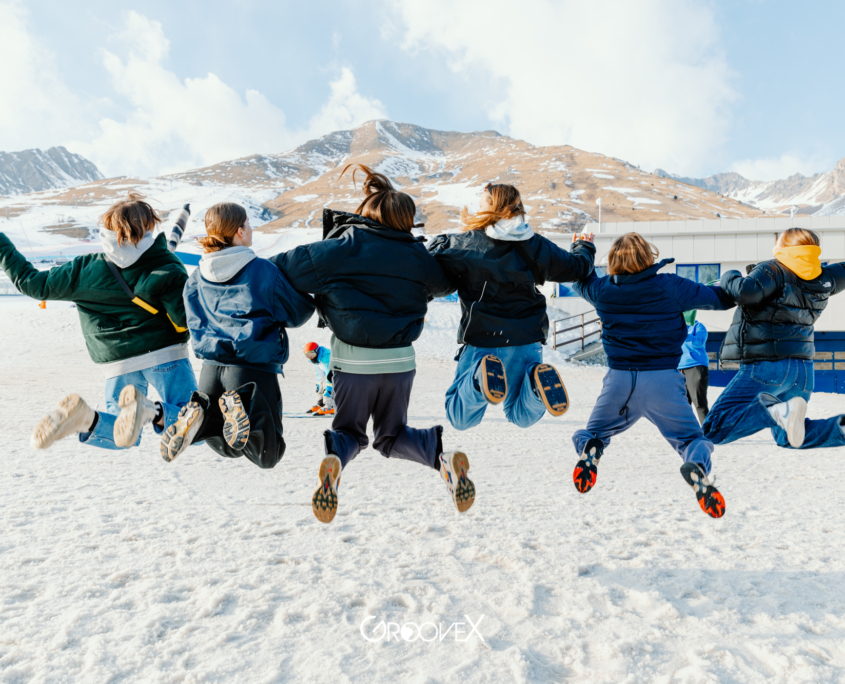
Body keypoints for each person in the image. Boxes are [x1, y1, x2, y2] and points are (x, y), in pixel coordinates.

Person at [272, 164, 471, 524]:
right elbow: (444, 283)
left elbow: (283, 268)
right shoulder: (417, 257)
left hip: (353, 363)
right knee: (391, 437)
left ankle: (336, 460)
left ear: (365, 212)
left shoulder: (341, 247)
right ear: (407, 221)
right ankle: (442, 458)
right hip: (400, 363)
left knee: (349, 432)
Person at [0, 193, 196, 451]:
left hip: (117, 363)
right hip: (165, 356)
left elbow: (33, 284)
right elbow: (183, 322)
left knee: (123, 433)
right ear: (150, 226)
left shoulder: (83, 268)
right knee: (193, 420)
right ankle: (150, 410)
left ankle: (86, 420)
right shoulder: (167, 265)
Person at [571, 232, 734, 518]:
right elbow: (721, 299)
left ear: (612, 261)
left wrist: (582, 246)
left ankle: (590, 449)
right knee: (692, 440)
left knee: (592, 433)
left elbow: (577, 278)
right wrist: (734, 279)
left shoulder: (602, 289)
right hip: (662, 381)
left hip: (619, 381)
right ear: (649, 256)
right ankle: (695, 465)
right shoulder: (670, 285)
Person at [428, 183, 595, 432]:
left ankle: (477, 379)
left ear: (494, 206)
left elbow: (427, 274)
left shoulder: (463, 245)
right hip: (527, 340)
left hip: (484, 341)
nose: (479, 204)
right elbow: (577, 268)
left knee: (460, 417)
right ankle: (536, 388)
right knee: (520, 415)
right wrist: (584, 246)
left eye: (484, 200)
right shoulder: (537, 246)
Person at [160, 203, 315, 468]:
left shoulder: (195, 278)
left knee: (228, 446)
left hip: (210, 369)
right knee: (268, 453)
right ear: (240, 231)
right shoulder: (262, 270)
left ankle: (201, 418)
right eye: (249, 224)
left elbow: (191, 321)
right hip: (251, 370)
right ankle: (239, 404)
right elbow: (297, 313)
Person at [703, 228, 845, 450]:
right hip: (802, 370)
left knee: (715, 428)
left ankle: (775, 412)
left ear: (784, 246)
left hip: (768, 366)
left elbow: (744, 292)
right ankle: (841, 429)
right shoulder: (823, 276)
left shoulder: (773, 269)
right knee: (790, 436)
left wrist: (729, 275)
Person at [678, 310, 710, 425]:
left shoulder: (698, 326)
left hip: (695, 366)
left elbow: (699, 343)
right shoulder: (676, 327)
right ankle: (684, 432)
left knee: (700, 403)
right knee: (682, 405)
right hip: (678, 368)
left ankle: (708, 433)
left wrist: (685, 333)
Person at [303, 341, 334, 415]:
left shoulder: (327, 357)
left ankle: (330, 406)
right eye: (308, 355)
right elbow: (319, 375)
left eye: (312, 354)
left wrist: (328, 389)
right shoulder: (316, 359)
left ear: (317, 351)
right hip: (329, 374)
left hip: (338, 374)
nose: (311, 357)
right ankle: (321, 404)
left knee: (328, 386)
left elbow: (329, 375)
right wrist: (319, 387)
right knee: (320, 385)